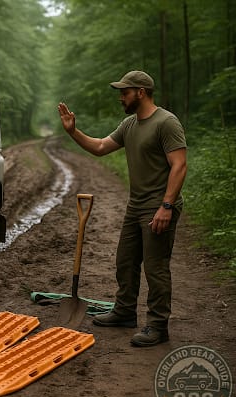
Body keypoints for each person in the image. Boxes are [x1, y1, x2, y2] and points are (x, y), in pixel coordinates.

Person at [57, 70, 187, 347]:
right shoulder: (129, 124)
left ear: (141, 92)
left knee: (156, 268)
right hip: (136, 205)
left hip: (158, 205)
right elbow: (102, 146)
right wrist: (73, 132)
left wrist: (167, 205)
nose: (121, 97)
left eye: (125, 92)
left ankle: (157, 326)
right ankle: (125, 311)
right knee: (125, 261)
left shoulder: (166, 122)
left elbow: (179, 165)